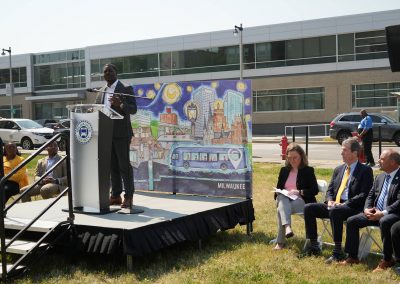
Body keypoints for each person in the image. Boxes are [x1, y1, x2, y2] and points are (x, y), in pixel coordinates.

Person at [300, 137, 373, 263]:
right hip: (334, 205)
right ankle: (314, 245)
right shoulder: (338, 169)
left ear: (355, 153)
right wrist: (329, 200)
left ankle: (338, 251)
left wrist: (343, 204)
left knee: (336, 211)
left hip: (352, 207)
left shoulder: (365, 171)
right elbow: (330, 190)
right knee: (309, 208)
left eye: (345, 150)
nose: (341, 153)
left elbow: (364, 194)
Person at [341, 149, 400, 272]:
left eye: (382, 159)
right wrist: (367, 209)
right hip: (375, 212)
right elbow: (370, 195)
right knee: (352, 221)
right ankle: (352, 256)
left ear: (393, 162)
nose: (379, 161)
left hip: (393, 213)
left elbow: (399, 202)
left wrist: (382, 213)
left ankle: (388, 259)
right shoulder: (380, 176)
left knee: (385, 221)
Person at [95, 63, 137, 209]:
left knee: (124, 166)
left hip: (121, 133)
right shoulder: (101, 91)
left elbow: (133, 109)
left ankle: (129, 196)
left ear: (116, 73)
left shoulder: (125, 88)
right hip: (106, 134)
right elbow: (97, 110)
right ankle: (115, 195)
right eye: (105, 71)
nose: (107, 73)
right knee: (112, 166)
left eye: (110, 71)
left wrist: (121, 105)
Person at [273, 143, 319, 250]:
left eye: (295, 158)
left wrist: (299, 192)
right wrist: (280, 192)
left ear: (301, 157)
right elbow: (278, 189)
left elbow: (314, 190)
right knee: (281, 198)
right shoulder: (284, 170)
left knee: (281, 209)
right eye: (289, 158)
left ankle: (281, 241)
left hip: (301, 200)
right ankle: (287, 227)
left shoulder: (308, 170)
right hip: (284, 199)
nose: (292, 160)